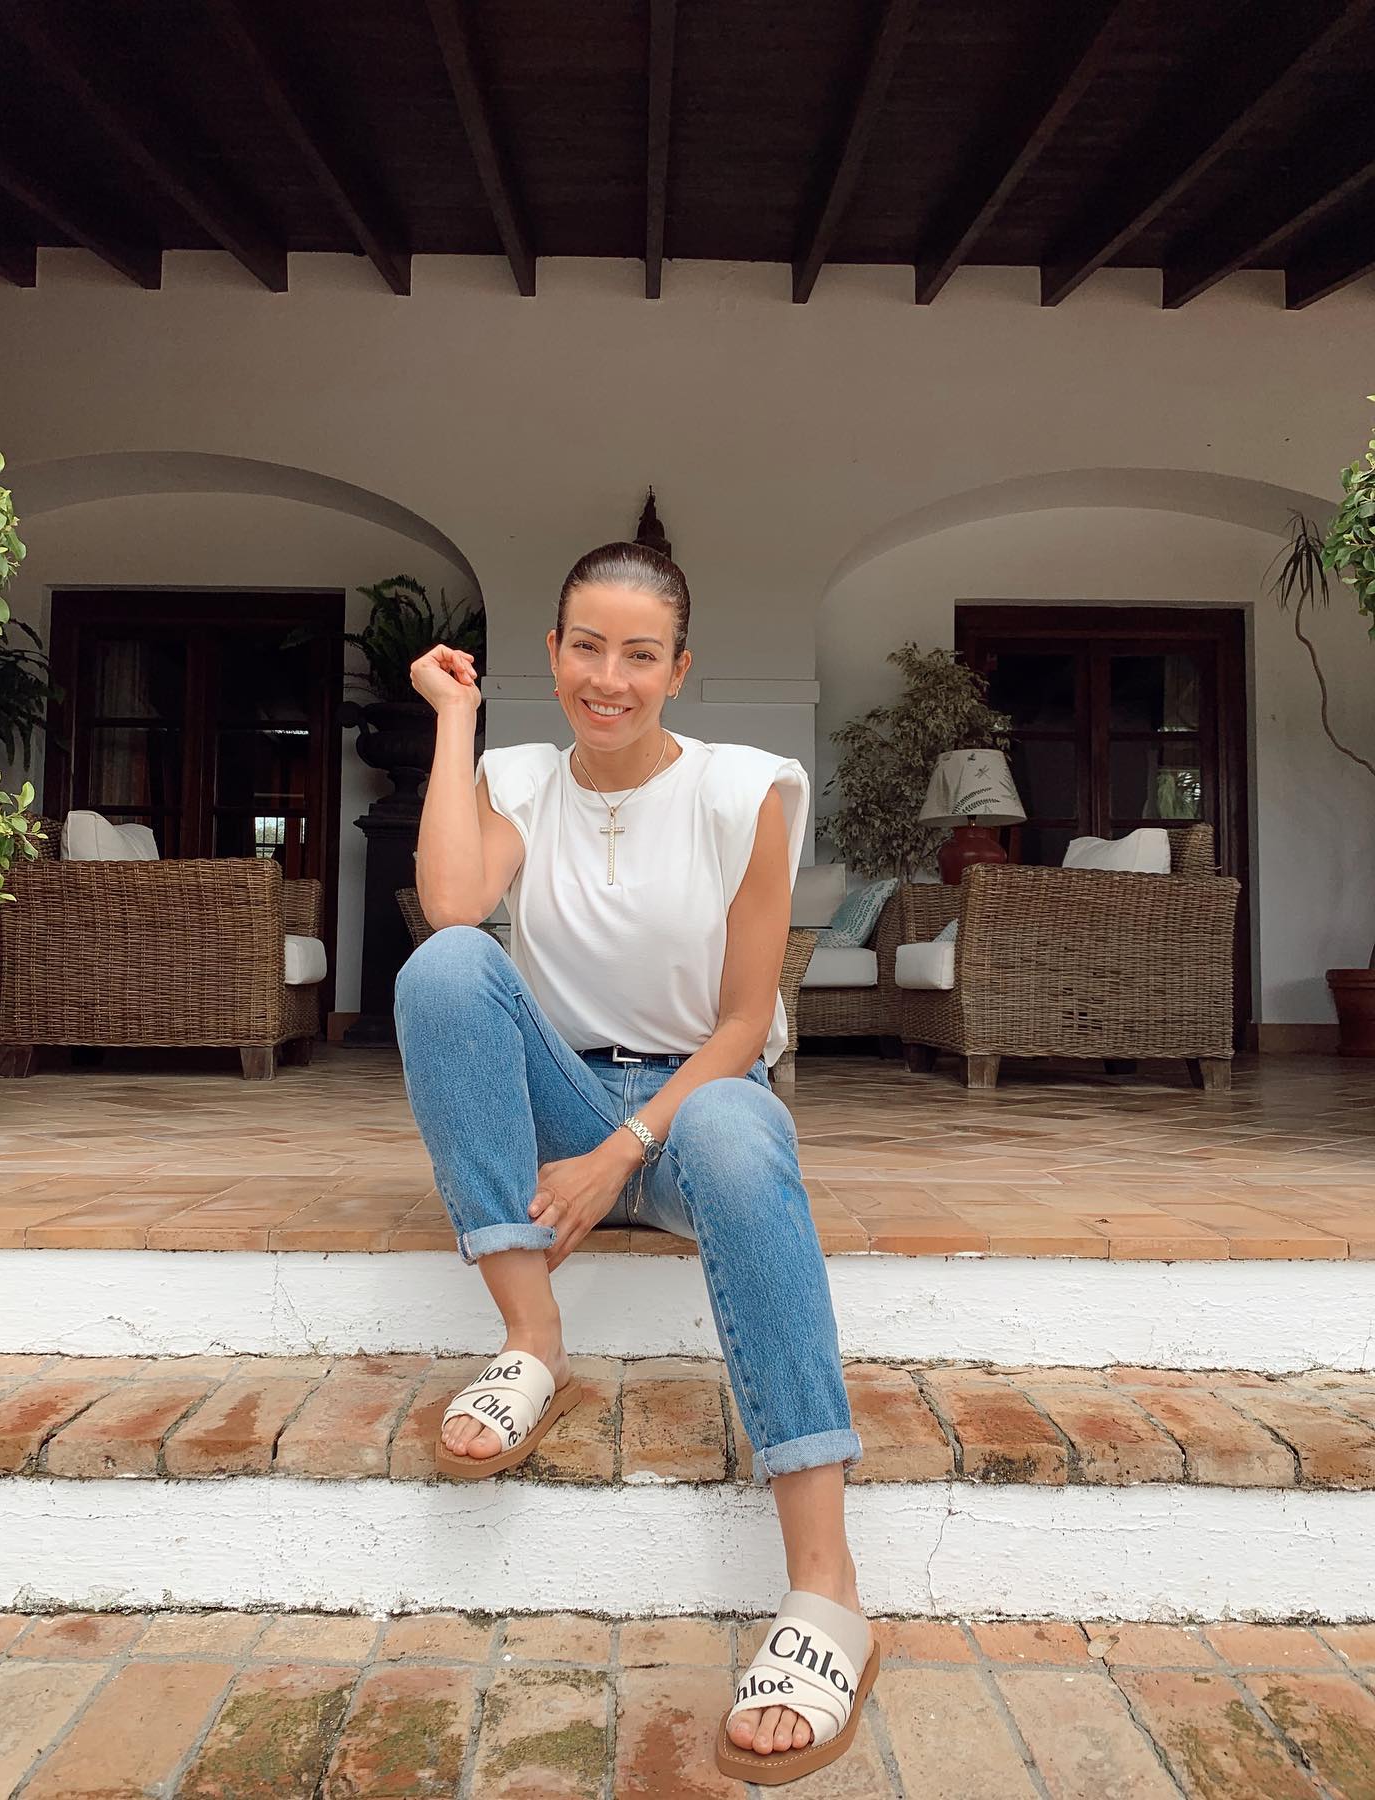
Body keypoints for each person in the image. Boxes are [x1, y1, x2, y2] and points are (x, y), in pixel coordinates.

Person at [394, 541, 876, 1785]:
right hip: (563, 1092)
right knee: (445, 969)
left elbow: (743, 1022)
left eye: (640, 654)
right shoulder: (517, 777)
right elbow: (453, 906)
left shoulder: (742, 791)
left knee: (736, 1128)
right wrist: (454, 720)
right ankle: (530, 1339)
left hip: (696, 1100)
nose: (609, 678)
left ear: (679, 668)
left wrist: (621, 1153)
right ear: (553, 653)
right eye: (587, 648)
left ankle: (826, 1589)